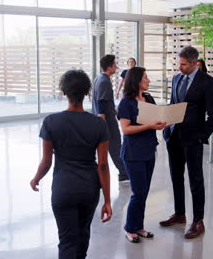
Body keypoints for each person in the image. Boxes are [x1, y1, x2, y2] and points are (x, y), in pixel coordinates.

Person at [30, 69, 112, 259]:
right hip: (89, 189)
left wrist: (36, 178)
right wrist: (107, 200)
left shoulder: (51, 122)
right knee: (83, 237)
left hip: (63, 189)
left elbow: (47, 161)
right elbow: (103, 165)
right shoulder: (99, 124)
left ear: (64, 92)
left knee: (67, 241)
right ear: (86, 93)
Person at [160, 46, 213, 239]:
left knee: (195, 181)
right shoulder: (177, 79)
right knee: (176, 177)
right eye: (179, 63)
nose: (180, 67)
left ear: (195, 63)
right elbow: (172, 103)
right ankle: (179, 214)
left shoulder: (207, 82)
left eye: (184, 64)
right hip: (174, 136)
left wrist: (202, 136)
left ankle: (198, 221)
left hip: (193, 139)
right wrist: (166, 123)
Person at [117, 67, 166, 243]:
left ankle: (138, 226)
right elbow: (126, 129)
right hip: (132, 153)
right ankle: (129, 228)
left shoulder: (149, 98)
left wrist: (161, 123)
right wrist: (149, 126)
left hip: (148, 150)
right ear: (137, 80)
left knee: (143, 192)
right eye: (146, 77)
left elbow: (155, 119)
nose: (149, 80)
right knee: (138, 192)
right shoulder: (126, 103)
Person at [92, 54, 129, 183]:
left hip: (105, 118)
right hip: (106, 122)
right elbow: (101, 102)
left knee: (110, 148)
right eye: (114, 64)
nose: (116, 67)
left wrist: (113, 110)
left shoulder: (99, 79)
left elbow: (103, 100)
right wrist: (103, 124)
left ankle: (123, 172)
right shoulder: (104, 81)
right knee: (116, 146)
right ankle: (124, 173)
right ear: (109, 67)